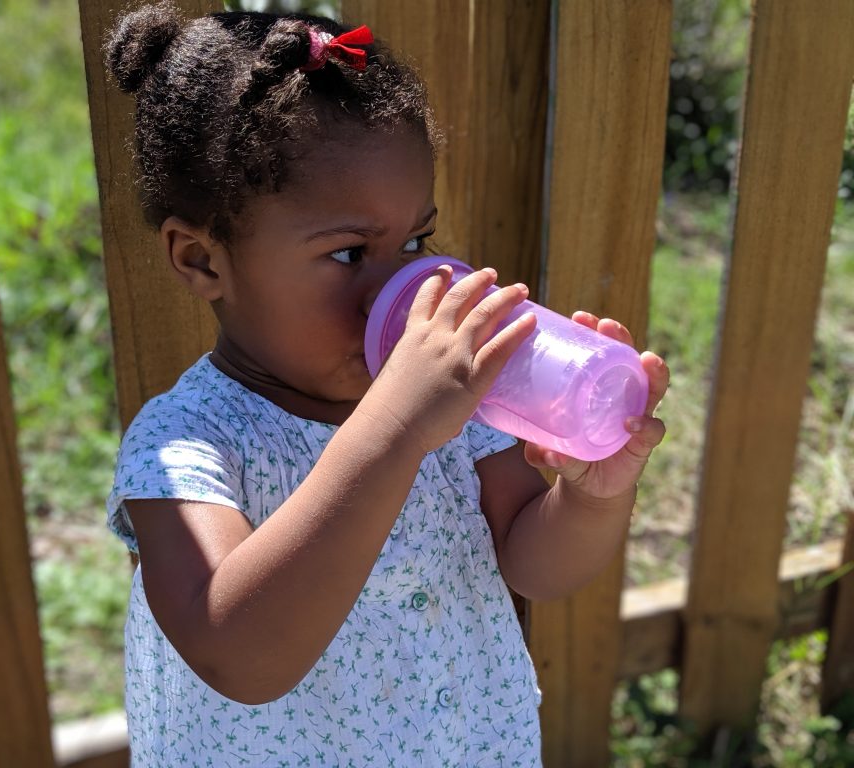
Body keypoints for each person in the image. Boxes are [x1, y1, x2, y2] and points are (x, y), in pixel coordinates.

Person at [104, 4, 669, 766]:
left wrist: (592, 496)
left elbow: (535, 564)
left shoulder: (455, 404)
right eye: (347, 254)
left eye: (414, 240)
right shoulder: (186, 446)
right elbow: (240, 655)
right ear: (203, 259)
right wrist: (396, 427)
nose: (402, 284)